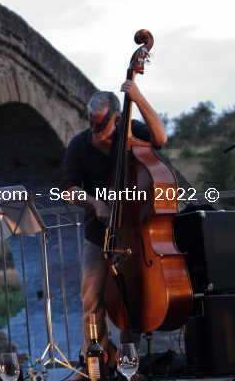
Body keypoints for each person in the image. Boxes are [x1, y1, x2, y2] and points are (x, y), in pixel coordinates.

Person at [60, 80, 167, 380]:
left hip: (135, 235)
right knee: (91, 300)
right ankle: (96, 365)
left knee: (129, 299)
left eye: (101, 125)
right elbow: (69, 189)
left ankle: (128, 368)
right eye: (91, 123)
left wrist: (138, 97)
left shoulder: (132, 133)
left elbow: (160, 137)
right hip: (98, 233)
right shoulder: (80, 144)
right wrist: (95, 203)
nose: (94, 130)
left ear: (117, 119)